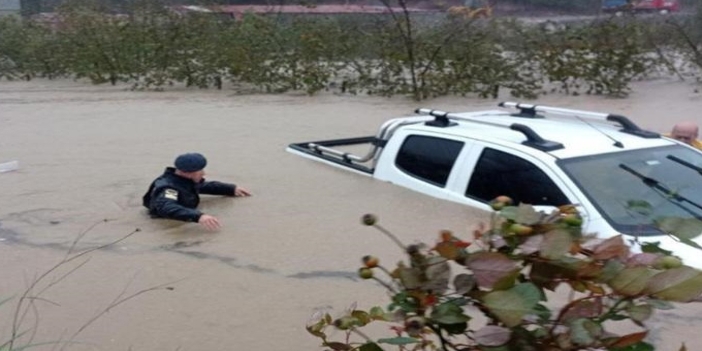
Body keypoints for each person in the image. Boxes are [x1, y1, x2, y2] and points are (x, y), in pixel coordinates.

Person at [142, 153, 251, 231]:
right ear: (187, 173)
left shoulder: (183, 180)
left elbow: (203, 186)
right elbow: (167, 207)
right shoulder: (169, 189)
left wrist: (230, 189)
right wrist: (198, 216)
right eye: (200, 171)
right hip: (162, 223)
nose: (204, 173)